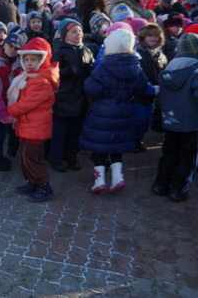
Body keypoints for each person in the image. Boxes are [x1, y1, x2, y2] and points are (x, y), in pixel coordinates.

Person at [79, 29, 155, 193]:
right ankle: (117, 178)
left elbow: (91, 90)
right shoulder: (136, 67)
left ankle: (99, 180)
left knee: (100, 148)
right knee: (117, 147)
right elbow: (142, 88)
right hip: (125, 112)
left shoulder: (102, 68)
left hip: (102, 113)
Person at [7, 37, 59, 203]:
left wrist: (9, 111)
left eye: (33, 60)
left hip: (35, 127)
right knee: (25, 157)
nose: (29, 63)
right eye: (26, 59)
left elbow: (26, 104)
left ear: (42, 60)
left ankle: (44, 186)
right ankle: (33, 182)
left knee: (33, 158)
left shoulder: (41, 81)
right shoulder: (29, 77)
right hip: (28, 125)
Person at [153, 33, 198, 202]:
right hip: (191, 123)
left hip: (170, 121)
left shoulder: (169, 69)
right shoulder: (195, 70)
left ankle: (160, 184)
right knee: (187, 157)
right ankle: (178, 189)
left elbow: (161, 97)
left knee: (169, 154)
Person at [49, 19, 94, 172]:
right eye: (74, 31)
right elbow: (53, 74)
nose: (78, 34)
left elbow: (90, 71)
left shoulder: (86, 50)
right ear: (64, 36)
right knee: (60, 132)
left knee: (75, 132)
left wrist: (90, 70)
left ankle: (71, 156)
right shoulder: (59, 51)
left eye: (80, 31)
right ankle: (56, 158)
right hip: (63, 99)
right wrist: (69, 71)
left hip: (80, 99)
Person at [0, 31, 27, 168]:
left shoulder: (18, 63)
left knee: (2, 132)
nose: (13, 50)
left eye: (17, 48)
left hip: (9, 105)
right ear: (4, 45)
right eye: (10, 46)